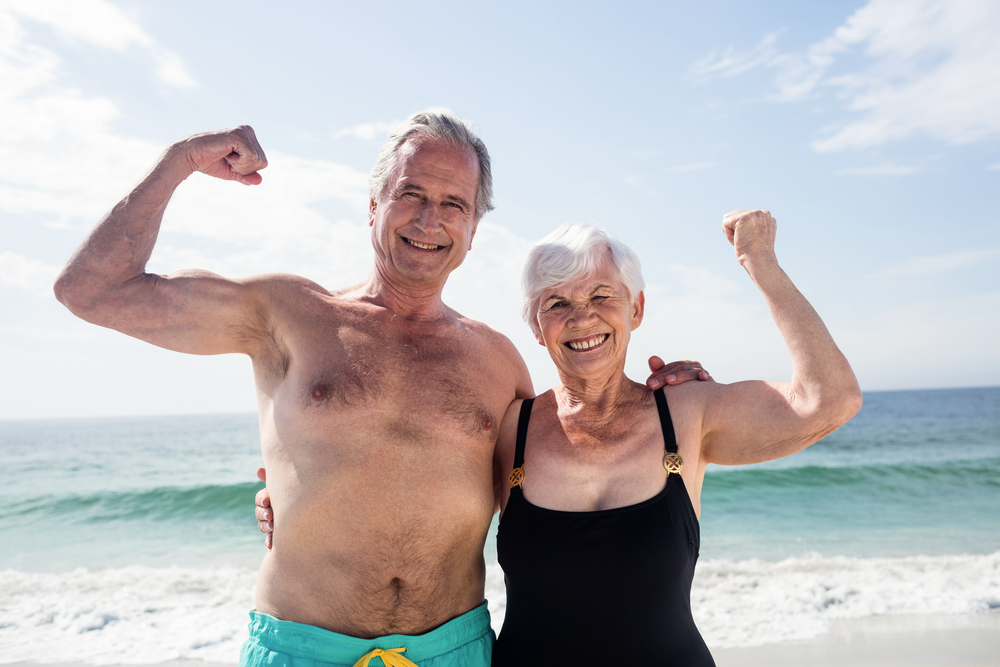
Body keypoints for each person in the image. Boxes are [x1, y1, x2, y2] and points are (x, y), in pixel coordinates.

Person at [54, 111, 707, 667]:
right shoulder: (286, 313)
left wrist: (664, 402)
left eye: (454, 203)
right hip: (303, 645)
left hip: (453, 649)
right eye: (411, 194)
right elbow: (92, 290)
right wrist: (180, 159)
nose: (430, 218)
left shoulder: (498, 361)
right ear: (374, 206)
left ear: (473, 230)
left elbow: (564, 471)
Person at [490, 214, 861, 665]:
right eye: (557, 304)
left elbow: (830, 399)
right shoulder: (511, 428)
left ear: (636, 308)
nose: (582, 317)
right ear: (535, 326)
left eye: (602, 295)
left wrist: (759, 260)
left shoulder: (686, 412)